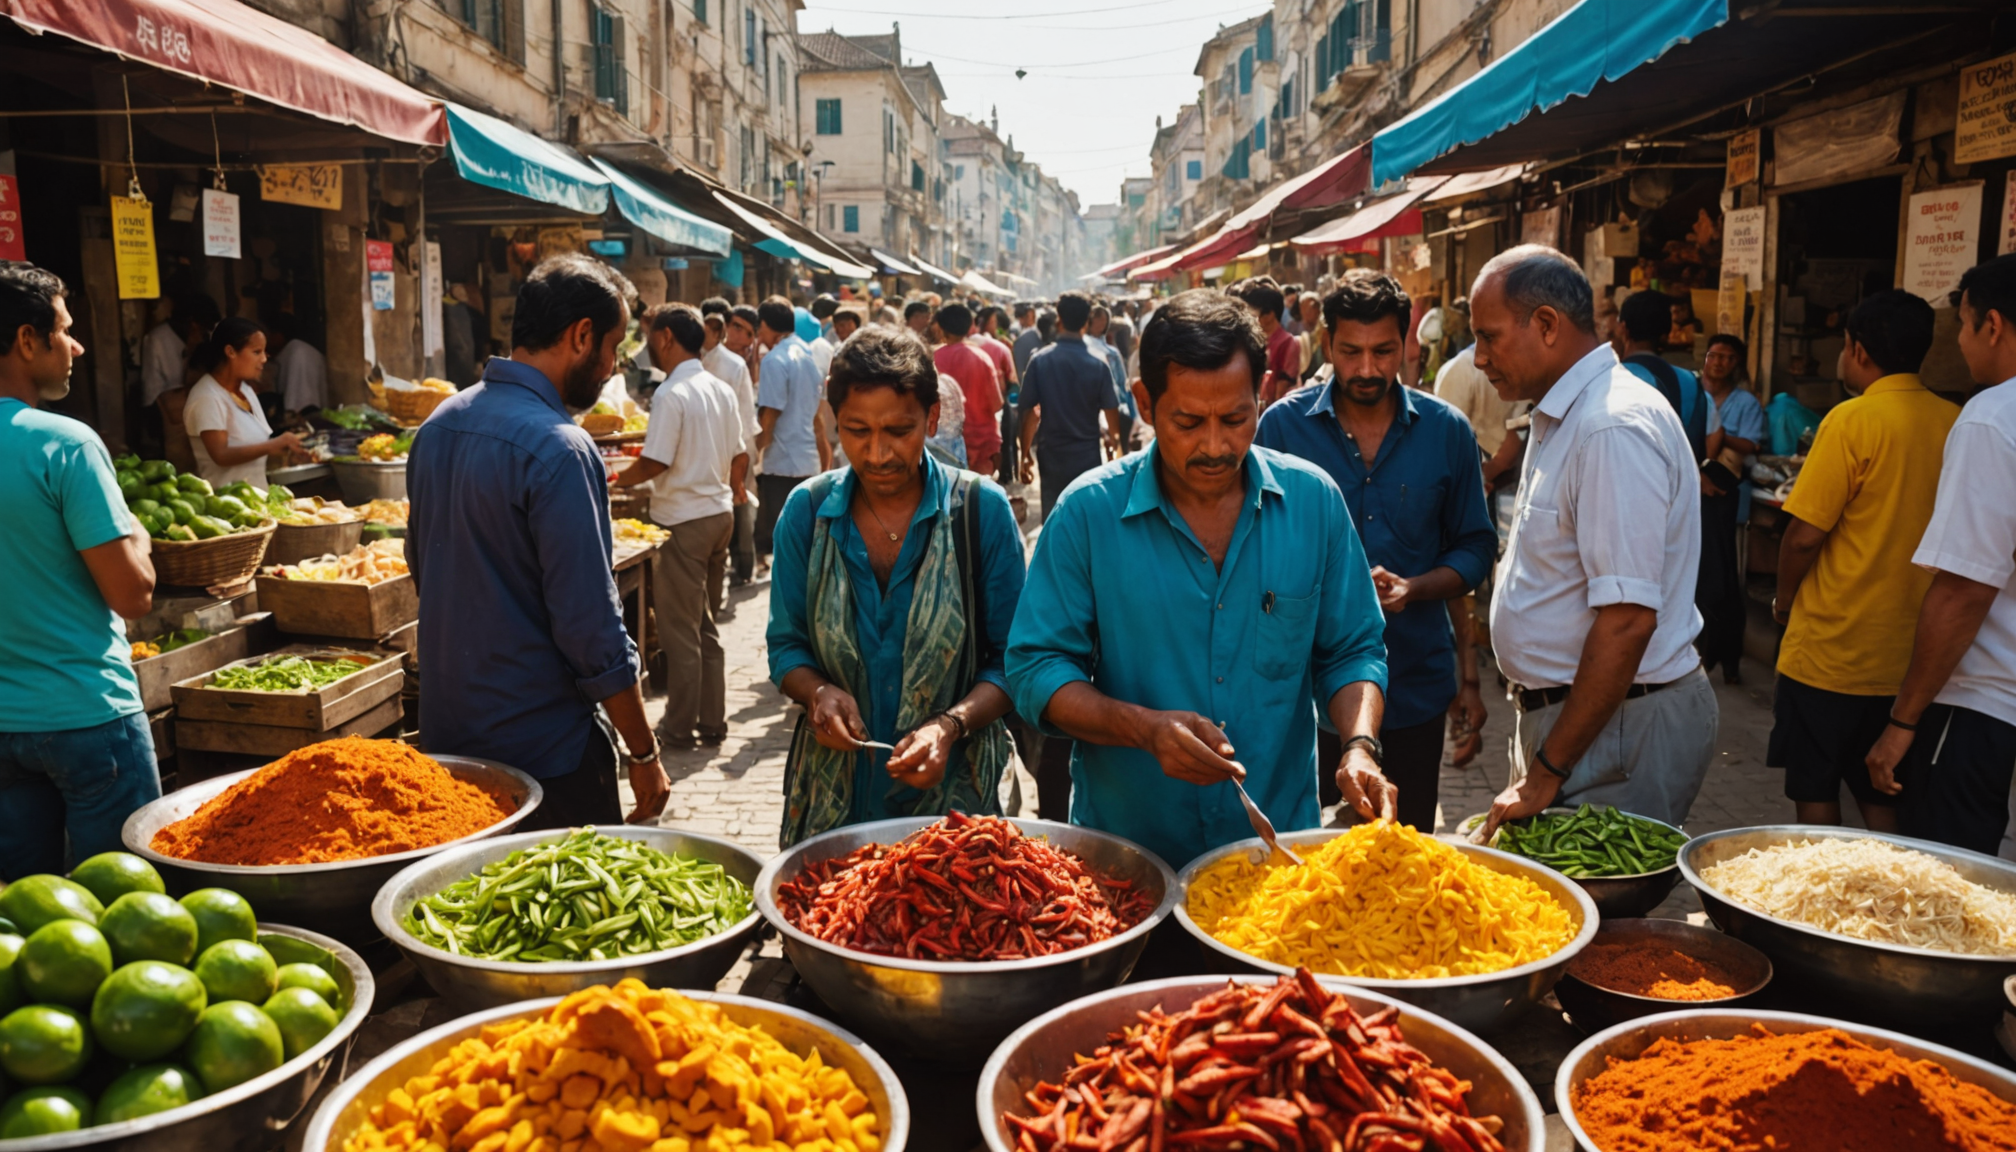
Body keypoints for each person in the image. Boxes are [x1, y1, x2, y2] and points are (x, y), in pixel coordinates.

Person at [1006, 289, 1392, 868]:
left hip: (1277, 859)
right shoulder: (1087, 513)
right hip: (1128, 864)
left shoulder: (1314, 503)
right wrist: (1142, 729)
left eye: (1235, 419)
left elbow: (1353, 649)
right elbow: (1036, 669)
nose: (1215, 446)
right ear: (1144, 401)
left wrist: (1358, 746)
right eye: (1188, 422)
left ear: (1261, 397)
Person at [408, 254, 670, 829]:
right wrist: (644, 752)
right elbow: (592, 629)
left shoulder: (437, 425)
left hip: (450, 747)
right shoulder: (561, 447)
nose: (611, 368)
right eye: (614, 348)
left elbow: (423, 570)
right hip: (546, 758)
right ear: (582, 336)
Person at [1471, 246, 1718, 840]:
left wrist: (1548, 769)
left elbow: (1628, 620)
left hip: (1618, 728)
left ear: (1548, 325)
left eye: (1489, 337)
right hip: (1589, 723)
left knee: (1594, 923)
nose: (1478, 358)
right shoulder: (1567, 414)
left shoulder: (1610, 427)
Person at [1255, 271, 1496, 832]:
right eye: (1350, 352)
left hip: (1413, 682)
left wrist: (1418, 587)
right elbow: (1248, 542)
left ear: (1407, 345)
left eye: (1383, 351)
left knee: (1402, 845)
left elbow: (1476, 547)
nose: (1366, 369)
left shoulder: (1447, 432)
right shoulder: (1281, 429)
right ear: (1327, 346)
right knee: (1289, 848)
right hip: (1297, 691)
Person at [767, 326, 1026, 845]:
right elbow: (786, 646)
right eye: (856, 432)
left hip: (957, 813)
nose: (878, 454)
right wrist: (817, 691)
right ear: (833, 421)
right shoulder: (808, 512)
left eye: (899, 431)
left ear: (931, 418)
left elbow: (1013, 660)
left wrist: (948, 727)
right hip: (834, 805)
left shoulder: (980, 511)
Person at [1768, 289, 1957, 831]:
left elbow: (1802, 537)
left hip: (1831, 652)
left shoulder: (1852, 420)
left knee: (1815, 790)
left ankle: (1822, 902)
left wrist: (1783, 602)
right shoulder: (1955, 420)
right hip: (1910, 657)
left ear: (1857, 349)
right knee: (1885, 790)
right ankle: (1891, 896)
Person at [0, 263, 160, 877]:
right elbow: (134, 594)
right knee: (125, 906)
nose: (77, 345)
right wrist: (138, 536)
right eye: (65, 330)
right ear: (26, 340)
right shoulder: (66, 444)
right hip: (86, 718)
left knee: (28, 919)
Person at [1867, 255, 2016, 857]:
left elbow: (1964, 589)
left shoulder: (1992, 418)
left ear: (1994, 326)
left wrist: (1902, 723)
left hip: (1988, 699)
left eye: (1962, 324)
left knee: (1962, 885)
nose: (1958, 341)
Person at [611, 304, 747, 748]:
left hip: (685, 520)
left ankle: (678, 725)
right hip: (717, 514)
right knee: (703, 624)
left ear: (666, 338)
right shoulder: (718, 388)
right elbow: (739, 453)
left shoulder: (673, 393)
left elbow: (656, 460)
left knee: (679, 630)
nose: (649, 344)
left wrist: (611, 476)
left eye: (652, 336)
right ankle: (711, 719)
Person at [1698, 334, 1766, 682]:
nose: (1719, 362)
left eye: (1727, 358)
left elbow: (1751, 445)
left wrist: (1717, 432)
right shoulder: (1693, 390)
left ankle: (1726, 657)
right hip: (1695, 493)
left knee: (1724, 578)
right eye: (1714, 355)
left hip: (1725, 494)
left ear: (1735, 363)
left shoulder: (1744, 402)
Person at [1018, 292, 1123, 520]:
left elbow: (1028, 413)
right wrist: (1115, 446)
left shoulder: (1040, 361)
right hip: (1087, 458)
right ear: (1086, 322)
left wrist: (1024, 455)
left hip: (1052, 456)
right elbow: (1112, 412)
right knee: (1086, 520)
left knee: (1054, 519)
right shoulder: (1098, 365)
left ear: (1059, 320)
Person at [754, 296, 831, 573]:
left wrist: (755, 455)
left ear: (766, 324)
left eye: (759, 327)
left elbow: (770, 417)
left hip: (783, 464)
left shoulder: (775, 359)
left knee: (788, 546)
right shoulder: (809, 356)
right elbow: (815, 416)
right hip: (807, 460)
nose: (758, 335)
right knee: (806, 541)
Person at [183, 318, 304, 489]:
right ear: (230, 352)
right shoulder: (207, 397)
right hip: (228, 504)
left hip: (258, 499)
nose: (263, 359)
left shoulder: (245, 391)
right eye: (256, 352)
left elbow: (260, 445)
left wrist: (290, 450)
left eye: (264, 352)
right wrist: (273, 445)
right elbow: (221, 455)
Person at [701, 302, 760, 591]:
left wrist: (744, 456)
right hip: (709, 448)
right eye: (735, 327)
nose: (737, 336)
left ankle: (743, 567)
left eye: (745, 331)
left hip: (735, 447)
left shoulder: (733, 366)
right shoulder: (697, 358)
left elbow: (746, 418)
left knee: (739, 507)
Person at [933, 303, 1003, 476]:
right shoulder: (982, 358)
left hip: (943, 447)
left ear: (941, 328)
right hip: (982, 444)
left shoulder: (933, 359)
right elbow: (997, 404)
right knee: (979, 498)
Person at [1228, 278, 1299, 407]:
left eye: (1252, 313)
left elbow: (1282, 390)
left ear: (1269, 314)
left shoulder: (1287, 342)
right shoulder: (1249, 339)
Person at [1085, 304, 1135, 451]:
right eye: (1097, 319)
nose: (1100, 324)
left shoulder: (1112, 352)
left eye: (1103, 320)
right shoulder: (1083, 349)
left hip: (1114, 406)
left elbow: (1122, 382)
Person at [269, 314, 329, 414]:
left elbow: (299, 401)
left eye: (270, 334)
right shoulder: (291, 351)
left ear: (279, 334)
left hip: (305, 411)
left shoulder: (298, 351)